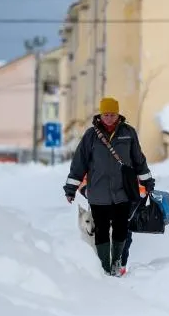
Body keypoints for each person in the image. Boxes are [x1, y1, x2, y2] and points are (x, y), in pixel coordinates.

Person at [63, 97, 155, 276]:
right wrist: (71, 188)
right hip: (98, 192)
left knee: (121, 228)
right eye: (106, 114)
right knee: (102, 230)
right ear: (101, 114)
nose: (109, 118)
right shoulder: (91, 135)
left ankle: (116, 262)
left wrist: (147, 181)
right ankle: (104, 265)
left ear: (118, 114)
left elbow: (138, 160)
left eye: (112, 114)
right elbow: (79, 163)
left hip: (123, 191)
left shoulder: (128, 133)